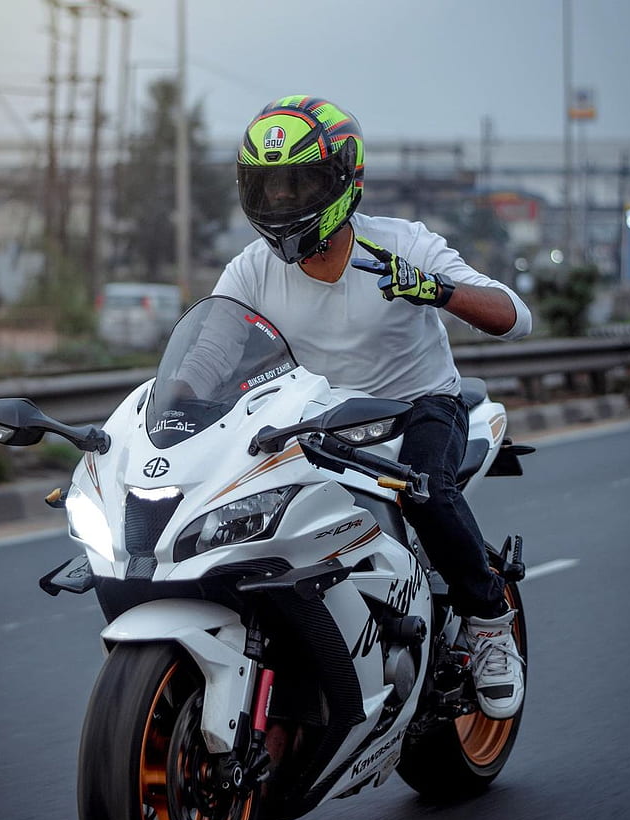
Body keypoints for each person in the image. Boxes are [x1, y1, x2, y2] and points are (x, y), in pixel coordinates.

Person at [212, 95, 531, 720]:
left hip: (417, 406)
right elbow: (208, 355)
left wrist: (433, 288)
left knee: (426, 490)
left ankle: (490, 620)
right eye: (268, 188)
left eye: (298, 183)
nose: (282, 202)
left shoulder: (402, 242)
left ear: (342, 180)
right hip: (313, 419)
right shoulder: (251, 270)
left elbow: (514, 318)